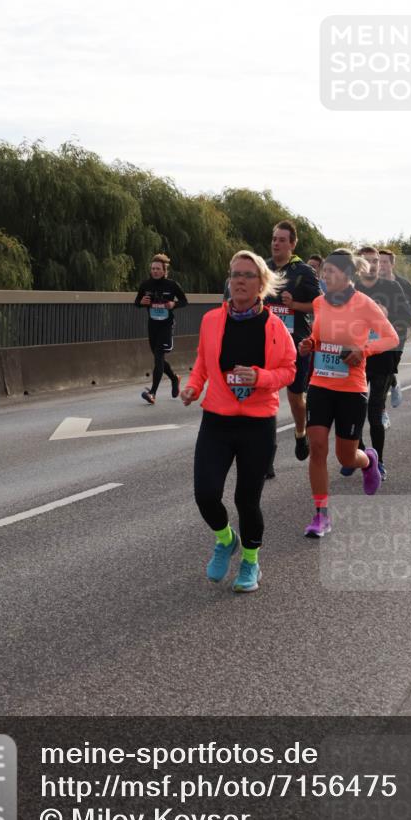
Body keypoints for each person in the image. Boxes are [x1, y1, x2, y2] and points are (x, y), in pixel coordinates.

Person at [181, 251, 296, 592]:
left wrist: (260, 378)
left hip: (257, 424)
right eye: (235, 275)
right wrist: (193, 386)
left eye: (247, 275)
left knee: (247, 500)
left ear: (261, 284)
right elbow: (203, 361)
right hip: (217, 419)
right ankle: (225, 538)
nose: (240, 281)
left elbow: (290, 370)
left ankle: (250, 562)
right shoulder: (212, 321)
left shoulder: (275, 327)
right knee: (206, 494)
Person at [297, 249, 399, 538]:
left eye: (330, 271)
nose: (324, 276)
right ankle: (321, 515)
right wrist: (310, 343)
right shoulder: (319, 302)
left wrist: (362, 350)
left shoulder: (365, 304)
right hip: (319, 384)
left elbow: (390, 337)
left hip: (351, 389)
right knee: (316, 447)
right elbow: (319, 336)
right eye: (323, 271)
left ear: (347, 274)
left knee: (345, 457)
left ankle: (368, 460)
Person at [263, 221, 321, 476]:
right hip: (266, 344)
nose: (276, 243)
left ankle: (300, 433)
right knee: (265, 397)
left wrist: (295, 304)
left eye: (282, 240)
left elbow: (319, 305)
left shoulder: (304, 272)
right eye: (274, 239)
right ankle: (267, 459)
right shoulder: (262, 268)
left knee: (295, 398)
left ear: (292, 244)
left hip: (295, 343)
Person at [354, 246, 411, 480]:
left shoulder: (392, 287)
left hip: (383, 358)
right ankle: (358, 452)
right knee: (353, 411)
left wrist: (386, 314)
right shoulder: (352, 289)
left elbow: (407, 319)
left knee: (375, 412)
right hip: (356, 358)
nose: (373, 265)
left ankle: (377, 461)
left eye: (376, 261)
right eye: (367, 261)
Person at [135, 254, 188, 404]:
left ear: (164, 271)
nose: (155, 271)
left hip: (166, 325)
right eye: (153, 269)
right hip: (153, 326)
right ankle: (174, 378)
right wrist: (142, 302)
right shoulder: (146, 285)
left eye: (158, 269)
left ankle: (152, 393)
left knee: (158, 356)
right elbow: (136, 302)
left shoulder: (172, 285)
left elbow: (184, 301)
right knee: (158, 359)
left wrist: (174, 304)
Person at [378, 250, 411, 408]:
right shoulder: (370, 283)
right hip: (375, 333)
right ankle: (381, 409)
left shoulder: (403, 283)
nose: (381, 265)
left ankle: (391, 386)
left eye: (385, 262)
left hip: (397, 333)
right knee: (380, 370)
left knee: (389, 367)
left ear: (392, 264)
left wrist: (409, 323)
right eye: (378, 261)